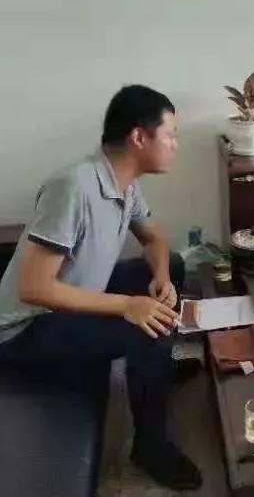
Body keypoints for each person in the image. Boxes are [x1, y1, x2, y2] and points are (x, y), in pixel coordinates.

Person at [0, 85, 203, 491]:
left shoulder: (124, 181)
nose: (175, 145)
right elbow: (33, 288)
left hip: (72, 300)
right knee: (146, 329)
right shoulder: (73, 187)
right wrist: (128, 304)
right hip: (27, 329)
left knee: (174, 267)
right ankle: (149, 447)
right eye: (171, 135)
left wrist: (162, 277)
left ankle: (155, 371)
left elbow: (154, 238)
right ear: (139, 137)